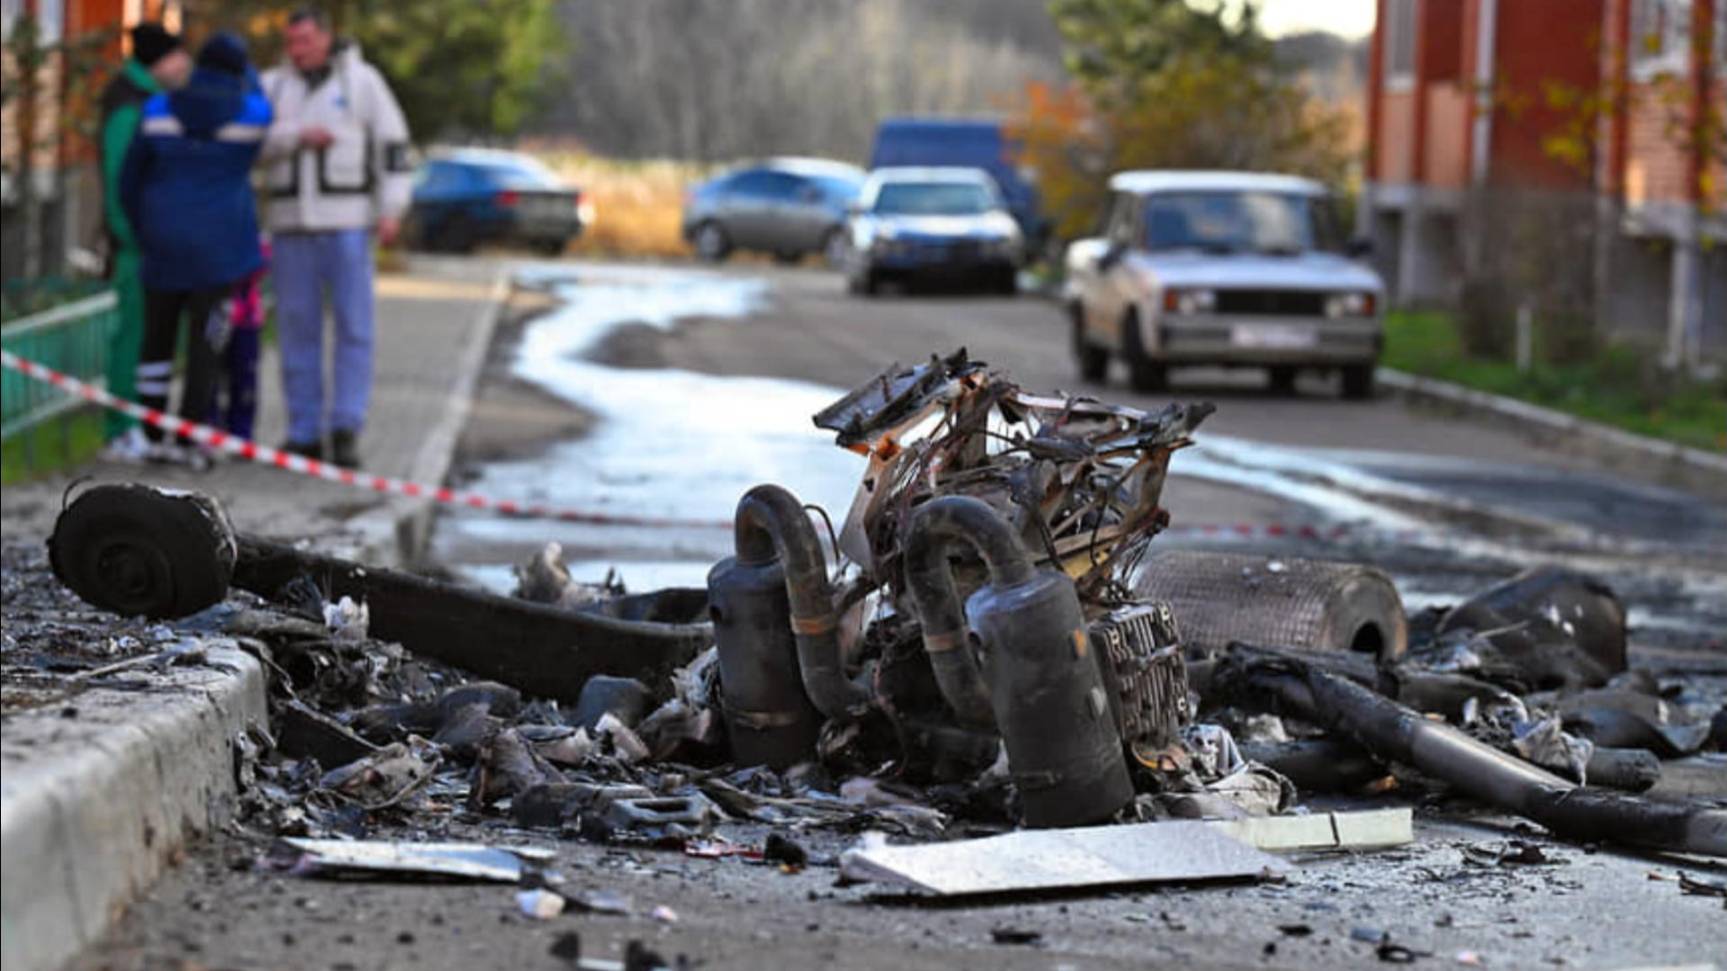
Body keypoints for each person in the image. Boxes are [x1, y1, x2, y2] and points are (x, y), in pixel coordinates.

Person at [260, 6, 413, 469]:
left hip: (347, 224)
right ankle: (304, 432)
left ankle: (346, 428)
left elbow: (393, 148)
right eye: (291, 43)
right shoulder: (274, 86)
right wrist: (295, 136)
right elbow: (254, 141)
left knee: (354, 329)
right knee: (296, 330)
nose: (298, 51)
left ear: (326, 38)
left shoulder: (362, 83)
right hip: (290, 227)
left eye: (305, 41)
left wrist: (392, 209)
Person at [120, 33, 272, 465]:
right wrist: (249, 77)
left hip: (163, 243)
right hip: (220, 251)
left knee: (157, 342)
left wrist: (144, 227)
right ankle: (189, 438)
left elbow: (130, 180)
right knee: (207, 347)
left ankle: (151, 434)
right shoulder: (252, 114)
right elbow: (263, 109)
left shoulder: (157, 109)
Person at [97, 23, 190, 459]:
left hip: (153, 243)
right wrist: (132, 238)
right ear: (160, 60)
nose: (184, 65)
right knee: (130, 339)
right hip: (137, 247)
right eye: (178, 56)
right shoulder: (128, 106)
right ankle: (121, 428)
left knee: (147, 339)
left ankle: (135, 425)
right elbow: (119, 183)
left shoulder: (148, 100)